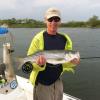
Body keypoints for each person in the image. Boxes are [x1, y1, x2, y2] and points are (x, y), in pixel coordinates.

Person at [27, 7, 80, 100]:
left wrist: (73, 63)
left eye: (56, 19)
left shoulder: (65, 39)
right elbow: (30, 64)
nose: (53, 22)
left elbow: (64, 63)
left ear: (60, 22)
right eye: (50, 19)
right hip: (42, 84)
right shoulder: (38, 39)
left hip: (58, 81)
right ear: (45, 21)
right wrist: (39, 64)